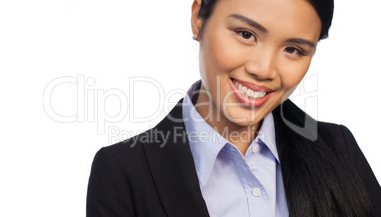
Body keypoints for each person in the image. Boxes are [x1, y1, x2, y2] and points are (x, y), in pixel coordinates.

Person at [86, 0, 381, 216]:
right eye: (245, 34)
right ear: (198, 18)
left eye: (293, 50)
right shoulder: (123, 173)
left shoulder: (339, 150)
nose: (264, 70)